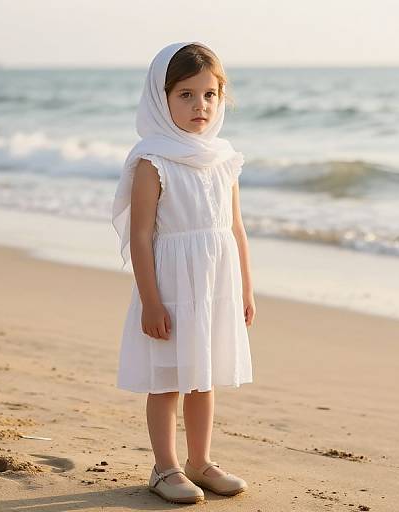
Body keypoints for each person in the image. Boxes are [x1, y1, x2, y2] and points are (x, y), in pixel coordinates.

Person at [111, 41, 256, 504]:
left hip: (215, 284)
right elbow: (140, 237)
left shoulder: (223, 157)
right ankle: (165, 467)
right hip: (171, 287)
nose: (200, 105)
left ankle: (200, 461)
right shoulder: (153, 161)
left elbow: (235, 228)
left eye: (210, 94)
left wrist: (246, 291)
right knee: (169, 379)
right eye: (186, 95)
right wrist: (151, 301)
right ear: (161, 97)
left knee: (204, 374)